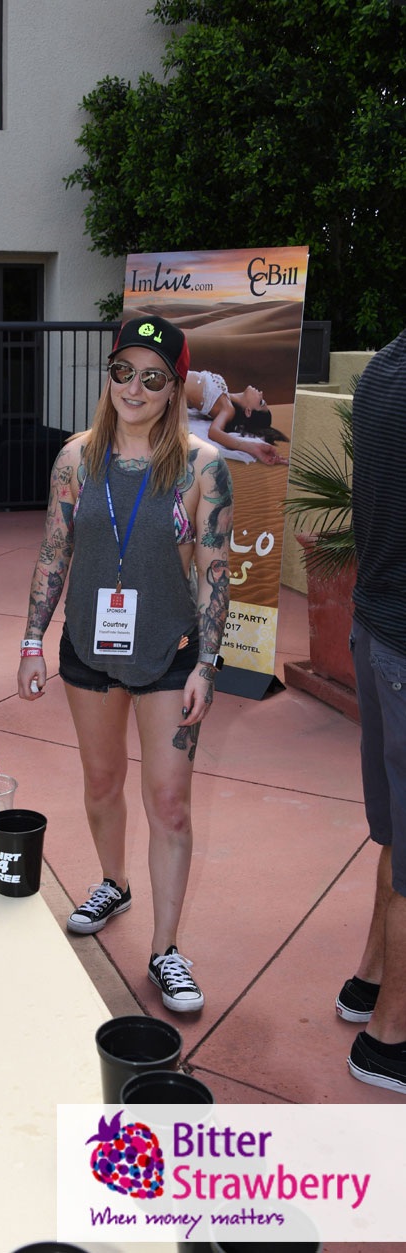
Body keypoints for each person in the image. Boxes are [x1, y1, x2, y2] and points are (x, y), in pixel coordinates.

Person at [17, 316, 232, 1013]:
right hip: (87, 648)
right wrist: (30, 640)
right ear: (106, 376)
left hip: (168, 654)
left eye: (152, 377)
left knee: (168, 800)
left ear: (173, 390)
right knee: (102, 781)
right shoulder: (75, 459)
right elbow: (53, 552)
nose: (133, 388)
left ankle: (166, 949)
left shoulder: (204, 466)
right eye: (122, 372)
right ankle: (113, 880)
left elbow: (213, 569)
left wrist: (207, 662)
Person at [335, 325, 406, 1092]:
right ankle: (389, 1038)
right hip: (398, 643)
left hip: (376, 628)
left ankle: (368, 981)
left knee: (393, 828)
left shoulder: (386, 362)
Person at [185, 369, 289, 465]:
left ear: (248, 412)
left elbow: (214, 432)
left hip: (173, 384)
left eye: (260, 402)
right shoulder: (226, 398)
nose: (261, 393)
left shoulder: (228, 409)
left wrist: (252, 448)